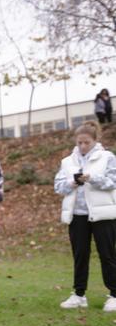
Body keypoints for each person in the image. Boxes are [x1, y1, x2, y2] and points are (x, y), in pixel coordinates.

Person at [54, 121, 116, 312]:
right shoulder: (67, 161)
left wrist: (92, 178)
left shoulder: (107, 157)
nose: (82, 146)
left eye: (86, 142)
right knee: (80, 255)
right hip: (77, 215)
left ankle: (114, 295)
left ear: (95, 140)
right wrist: (72, 182)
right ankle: (79, 295)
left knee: (107, 255)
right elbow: (58, 187)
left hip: (102, 215)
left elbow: (112, 182)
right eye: (79, 142)